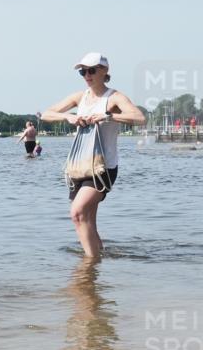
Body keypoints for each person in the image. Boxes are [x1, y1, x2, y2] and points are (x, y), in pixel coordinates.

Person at [41, 53, 145, 258]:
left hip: (103, 167)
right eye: (83, 71)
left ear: (104, 71)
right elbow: (46, 114)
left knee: (77, 213)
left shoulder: (114, 97)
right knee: (87, 218)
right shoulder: (79, 97)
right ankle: (97, 262)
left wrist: (107, 116)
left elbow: (140, 118)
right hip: (79, 165)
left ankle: (89, 264)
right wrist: (68, 117)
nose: (86, 75)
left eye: (91, 70)